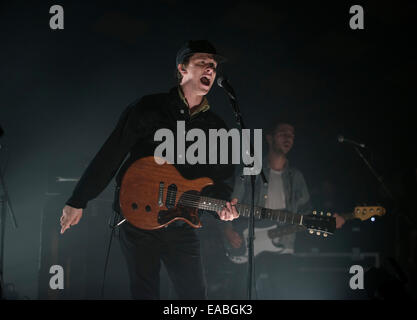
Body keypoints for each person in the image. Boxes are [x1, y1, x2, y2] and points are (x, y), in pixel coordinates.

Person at [59, 40, 239, 300]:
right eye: (202, 63)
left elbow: (220, 178)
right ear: (182, 69)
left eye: (212, 65)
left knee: (195, 295)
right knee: (145, 293)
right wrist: (78, 200)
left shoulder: (216, 126)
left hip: (181, 222)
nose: (210, 69)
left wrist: (222, 207)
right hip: (138, 219)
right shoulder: (149, 108)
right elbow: (111, 154)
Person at [223, 119, 345, 299]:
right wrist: (227, 230)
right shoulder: (251, 170)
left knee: (286, 293)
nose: (288, 138)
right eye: (283, 133)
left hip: (284, 246)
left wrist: (326, 222)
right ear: (269, 138)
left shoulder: (296, 177)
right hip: (246, 244)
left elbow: (305, 214)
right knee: (239, 295)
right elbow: (230, 204)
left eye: (291, 135)